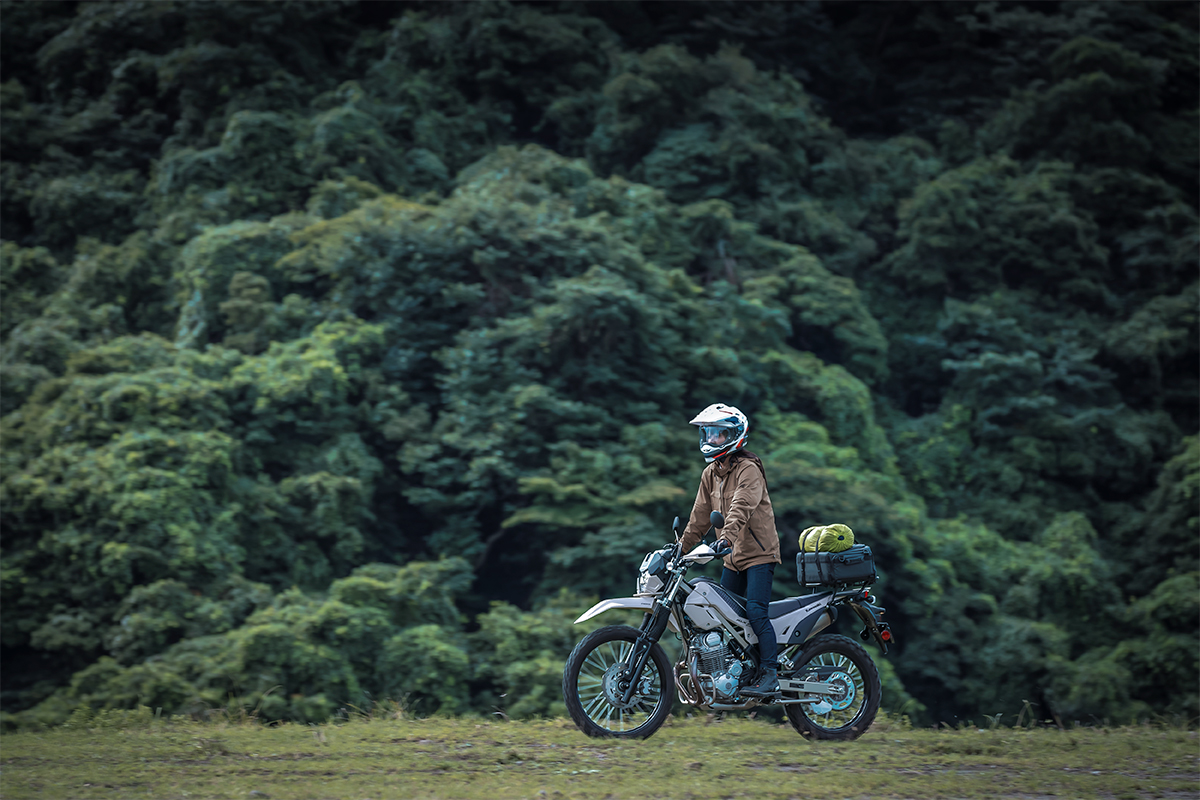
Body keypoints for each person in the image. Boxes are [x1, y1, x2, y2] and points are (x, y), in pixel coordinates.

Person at [678, 403, 782, 698]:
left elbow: (741, 508)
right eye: (707, 434)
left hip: (758, 554)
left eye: (717, 434)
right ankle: (737, 675)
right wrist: (679, 549)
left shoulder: (749, 469)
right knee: (721, 617)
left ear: (734, 435)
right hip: (731, 559)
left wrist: (726, 538)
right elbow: (699, 517)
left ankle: (771, 672)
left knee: (755, 612)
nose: (710, 440)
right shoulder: (711, 473)